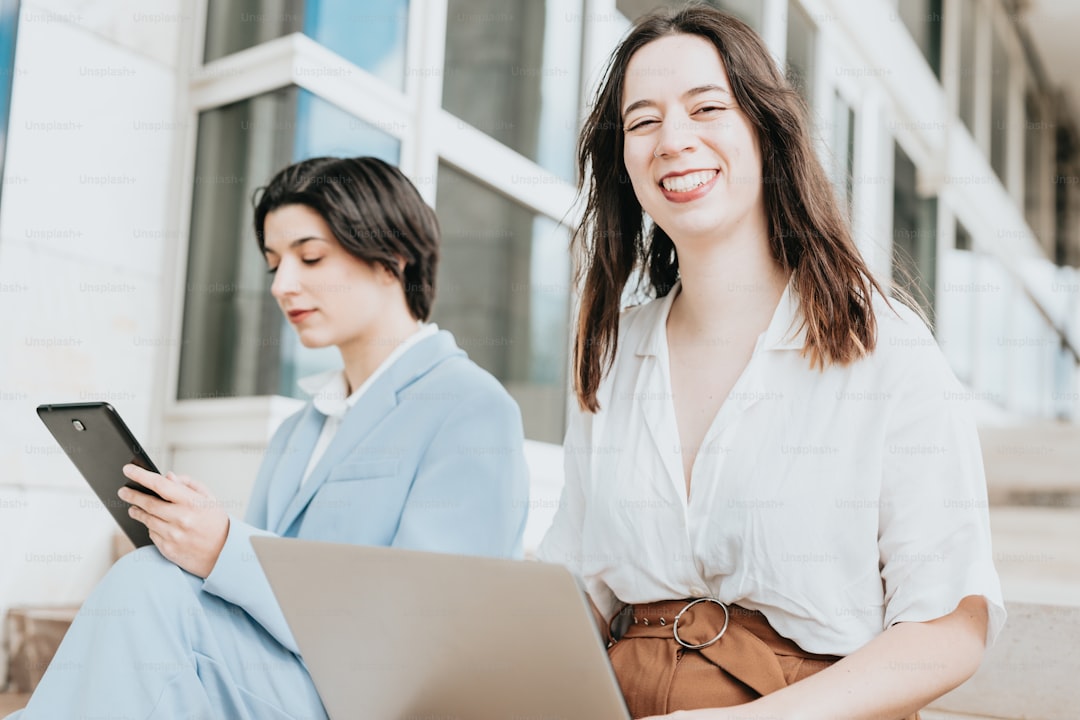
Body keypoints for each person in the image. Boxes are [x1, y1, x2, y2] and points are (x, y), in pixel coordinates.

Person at [537, 6, 1004, 720]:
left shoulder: (884, 348)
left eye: (707, 108)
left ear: (767, 130)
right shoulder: (609, 350)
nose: (674, 141)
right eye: (642, 121)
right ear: (622, 159)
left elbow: (949, 627)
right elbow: (575, 587)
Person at [9, 156, 529, 719]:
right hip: (276, 680)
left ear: (393, 258)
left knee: (147, 591)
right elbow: (251, 595)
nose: (283, 286)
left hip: (365, 701)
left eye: (310, 257)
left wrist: (227, 547)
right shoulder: (297, 431)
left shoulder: (471, 408)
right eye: (273, 264)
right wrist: (198, 538)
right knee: (152, 581)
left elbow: (430, 632)